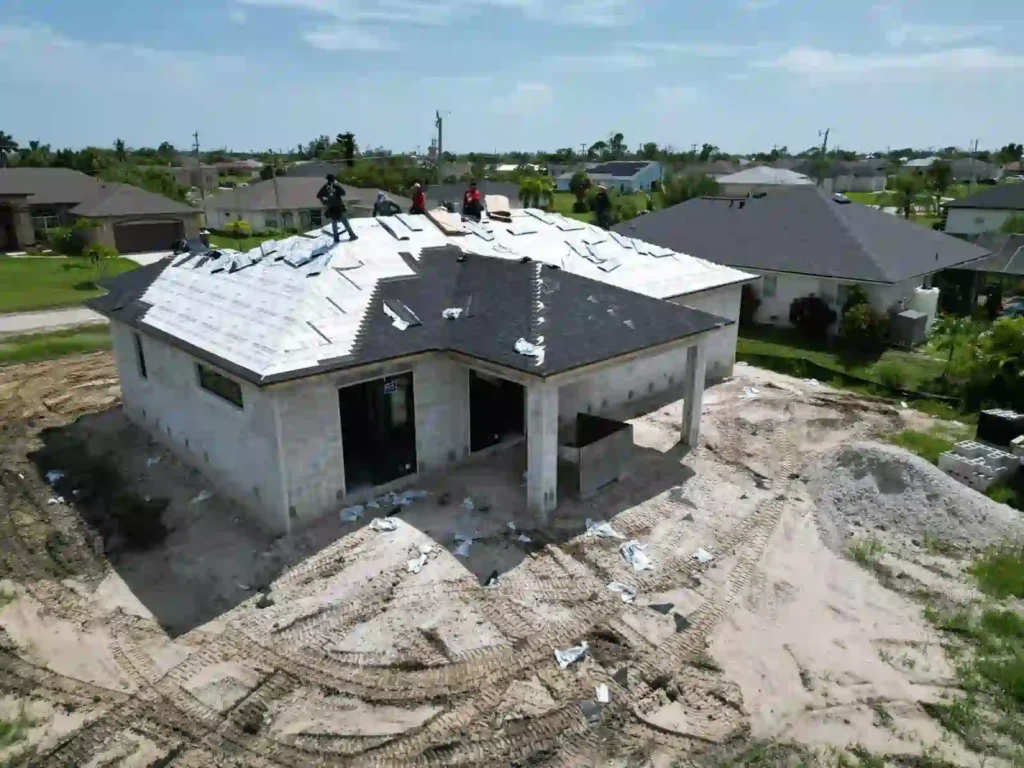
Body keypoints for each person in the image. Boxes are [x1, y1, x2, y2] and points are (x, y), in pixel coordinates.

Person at [317, 173, 357, 243]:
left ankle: (336, 238)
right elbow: (343, 193)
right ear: (333, 179)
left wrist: (324, 201)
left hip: (331, 208)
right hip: (339, 207)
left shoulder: (325, 187)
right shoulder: (336, 186)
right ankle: (352, 235)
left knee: (334, 222)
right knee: (345, 221)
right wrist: (338, 186)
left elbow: (319, 195)